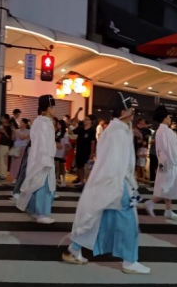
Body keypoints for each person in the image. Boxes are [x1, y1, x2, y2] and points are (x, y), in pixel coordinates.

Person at [63, 92, 150, 274]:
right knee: (128, 224)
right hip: (117, 183)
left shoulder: (118, 129)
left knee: (99, 218)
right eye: (131, 109)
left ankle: (75, 248)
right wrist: (121, 187)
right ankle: (129, 261)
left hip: (112, 183)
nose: (133, 113)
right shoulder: (118, 132)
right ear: (124, 111)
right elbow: (115, 163)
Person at [16, 95, 57, 224]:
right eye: (52, 107)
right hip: (43, 159)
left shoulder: (41, 121)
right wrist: (45, 159)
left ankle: (33, 209)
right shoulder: (43, 123)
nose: (54, 110)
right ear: (49, 108)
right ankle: (41, 213)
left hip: (39, 158)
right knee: (42, 185)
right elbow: (42, 143)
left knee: (35, 182)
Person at [144, 106, 177, 220]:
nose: (170, 119)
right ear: (165, 118)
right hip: (169, 163)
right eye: (169, 117)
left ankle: (168, 210)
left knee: (165, 184)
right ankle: (151, 202)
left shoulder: (159, 131)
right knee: (167, 185)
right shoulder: (168, 132)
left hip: (162, 161)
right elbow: (172, 148)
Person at [73, 114, 97, 186]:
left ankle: (87, 181)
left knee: (86, 166)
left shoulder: (92, 130)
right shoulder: (81, 128)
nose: (85, 120)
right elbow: (72, 132)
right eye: (85, 119)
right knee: (79, 166)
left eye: (87, 119)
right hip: (79, 149)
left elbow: (93, 142)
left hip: (87, 150)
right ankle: (81, 180)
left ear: (90, 121)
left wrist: (92, 153)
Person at [0, 114, 13, 180]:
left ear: (7, 119)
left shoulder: (10, 127)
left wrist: (4, 131)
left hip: (5, 145)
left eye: (3, 118)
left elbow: (10, 138)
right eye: (1, 118)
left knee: (3, 160)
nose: (2, 119)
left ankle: (3, 174)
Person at [55, 120, 70, 187]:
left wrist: (65, 154)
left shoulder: (65, 134)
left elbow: (66, 145)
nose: (58, 126)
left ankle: (63, 180)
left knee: (62, 167)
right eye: (57, 124)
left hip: (62, 152)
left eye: (59, 124)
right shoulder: (56, 132)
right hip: (55, 152)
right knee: (56, 167)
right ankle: (57, 180)